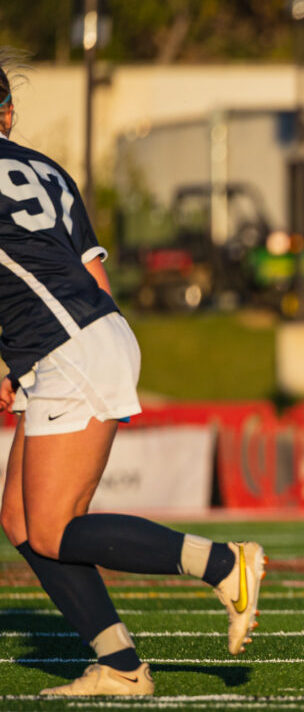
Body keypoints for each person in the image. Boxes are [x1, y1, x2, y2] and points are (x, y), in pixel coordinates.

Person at [0, 56, 265, 696]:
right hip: (91, 335)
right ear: (7, 114)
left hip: (65, 349)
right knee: (21, 522)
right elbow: (93, 275)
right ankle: (119, 665)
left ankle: (223, 564)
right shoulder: (48, 171)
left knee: (54, 528)